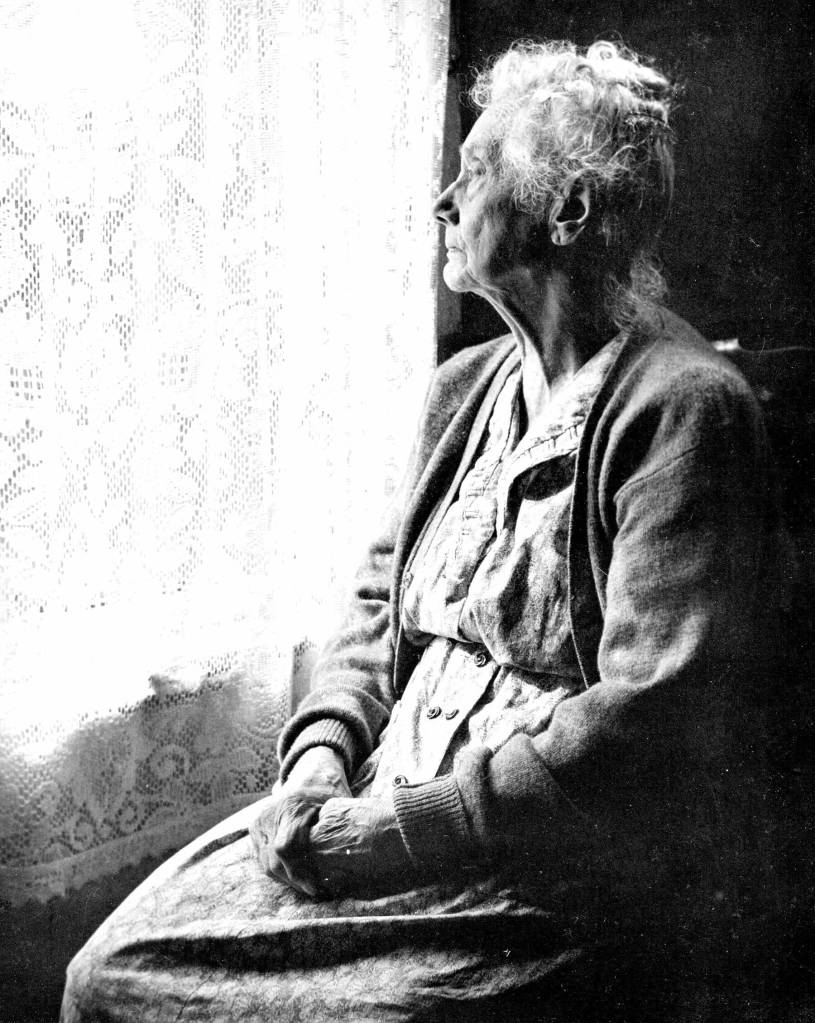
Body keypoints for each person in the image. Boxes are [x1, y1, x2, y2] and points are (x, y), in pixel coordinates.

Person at [61, 39, 790, 1022]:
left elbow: (649, 718)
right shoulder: (462, 389)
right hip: (375, 794)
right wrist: (320, 757)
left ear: (569, 211)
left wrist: (397, 834)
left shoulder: (684, 408)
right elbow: (378, 602)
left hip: (532, 871)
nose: (444, 201)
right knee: (106, 968)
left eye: (474, 171)